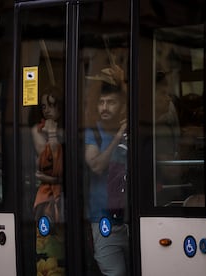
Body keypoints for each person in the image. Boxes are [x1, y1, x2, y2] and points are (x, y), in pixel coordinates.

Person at [84, 64, 129, 276]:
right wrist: (119, 137)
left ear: (121, 106)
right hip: (103, 220)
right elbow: (96, 165)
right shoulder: (94, 133)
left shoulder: (133, 127)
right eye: (101, 102)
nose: (104, 107)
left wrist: (122, 82)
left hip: (133, 218)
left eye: (111, 102)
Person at [31, 87, 65, 275]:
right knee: (47, 257)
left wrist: (53, 178)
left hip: (64, 200)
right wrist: (52, 135)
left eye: (52, 105)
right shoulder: (37, 130)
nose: (47, 110)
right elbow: (49, 164)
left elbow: (61, 173)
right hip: (46, 201)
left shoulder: (68, 128)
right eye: (44, 106)